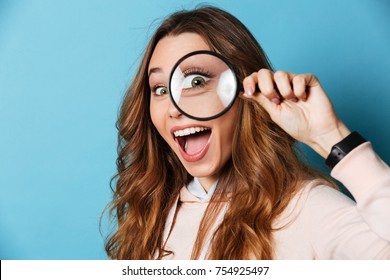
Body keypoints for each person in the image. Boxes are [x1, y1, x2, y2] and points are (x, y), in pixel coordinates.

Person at [104, 6, 390, 259]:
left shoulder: (305, 208)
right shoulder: (151, 216)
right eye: (160, 89)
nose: (173, 108)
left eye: (195, 80)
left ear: (242, 90)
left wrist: (331, 136)